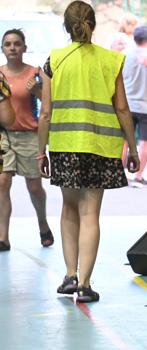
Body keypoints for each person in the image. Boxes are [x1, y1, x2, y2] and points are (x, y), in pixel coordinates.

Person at [37, 0, 140, 303]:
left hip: (65, 146)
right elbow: (122, 108)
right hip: (100, 147)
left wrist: (41, 152)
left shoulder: (54, 61)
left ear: (66, 27)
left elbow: (45, 113)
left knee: (69, 209)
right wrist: (132, 149)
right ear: (92, 25)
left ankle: (69, 275)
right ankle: (85, 284)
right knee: (90, 213)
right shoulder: (111, 61)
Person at [0, 29, 54, 251]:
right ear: (3, 49)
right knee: (2, 182)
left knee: (34, 187)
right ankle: (3, 235)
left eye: (17, 44)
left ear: (24, 47)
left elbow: (49, 105)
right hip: (3, 136)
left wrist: (38, 90)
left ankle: (42, 223)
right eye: (8, 44)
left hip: (29, 135)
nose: (12, 47)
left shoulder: (35, 73)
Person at [122, 26, 147, 186]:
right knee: (145, 141)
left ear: (134, 38)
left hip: (128, 104)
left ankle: (121, 174)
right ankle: (138, 175)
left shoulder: (125, 55)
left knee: (123, 140)